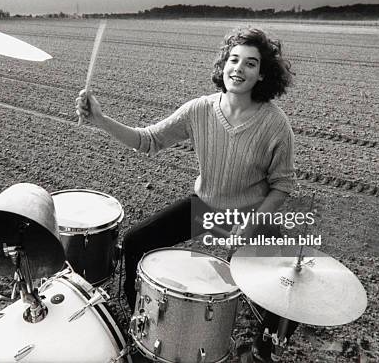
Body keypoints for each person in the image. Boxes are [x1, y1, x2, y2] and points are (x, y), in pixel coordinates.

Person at [76, 27, 296, 362]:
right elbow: (147, 140)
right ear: (223, 65)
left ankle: (262, 350)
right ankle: (143, 320)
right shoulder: (200, 110)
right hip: (204, 207)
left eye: (250, 63)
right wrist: (101, 119)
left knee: (292, 282)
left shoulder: (275, 124)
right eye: (233, 59)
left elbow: (282, 185)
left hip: (250, 214)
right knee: (136, 242)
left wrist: (252, 223)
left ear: (262, 74)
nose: (239, 68)